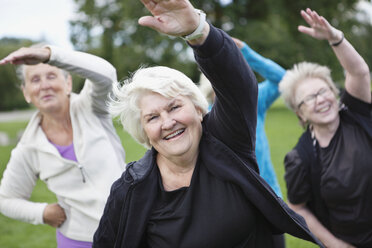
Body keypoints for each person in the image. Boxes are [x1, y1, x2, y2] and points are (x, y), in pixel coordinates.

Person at [93, 1, 323, 247]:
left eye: (174, 107)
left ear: (199, 108)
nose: (168, 122)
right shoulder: (130, 188)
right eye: (152, 117)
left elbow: (238, 85)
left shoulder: (228, 141)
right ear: (144, 131)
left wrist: (198, 31)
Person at [0, 44, 126, 247]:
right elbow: (6, 200)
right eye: (35, 80)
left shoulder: (92, 108)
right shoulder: (28, 147)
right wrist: (42, 213)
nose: (44, 85)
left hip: (129, 229)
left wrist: (50, 55)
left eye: (51, 76)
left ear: (68, 83)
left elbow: (107, 74)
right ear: (26, 93)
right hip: (78, 240)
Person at [279, 8, 371, 248]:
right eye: (309, 98)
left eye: (323, 91)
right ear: (300, 113)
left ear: (334, 92)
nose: (320, 100)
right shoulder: (301, 158)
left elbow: (359, 72)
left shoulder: (357, 114)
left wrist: (335, 38)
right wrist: (336, 246)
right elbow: (298, 208)